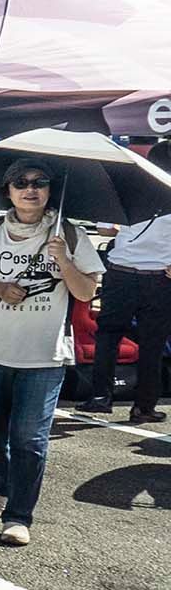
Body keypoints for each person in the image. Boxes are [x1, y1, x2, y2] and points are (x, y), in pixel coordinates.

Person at [0, 157, 103, 546]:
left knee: (29, 439)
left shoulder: (69, 235)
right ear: (8, 190)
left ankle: (19, 515)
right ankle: (1, 486)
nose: (30, 188)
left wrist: (64, 260)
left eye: (40, 182)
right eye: (20, 182)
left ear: (51, 190)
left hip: (43, 357)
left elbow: (86, 292)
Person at [80, 139, 171, 422]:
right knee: (153, 343)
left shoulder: (129, 189)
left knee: (108, 336)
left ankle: (100, 398)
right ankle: (144, 406)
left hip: (120, 273)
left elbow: (105, 229)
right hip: (160, 278)